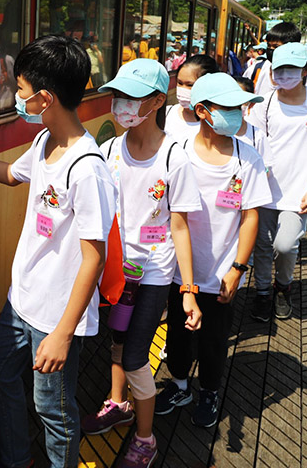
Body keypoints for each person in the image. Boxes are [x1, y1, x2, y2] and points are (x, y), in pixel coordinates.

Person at [0, 35, 117, 468]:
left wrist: (63, 333)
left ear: (45, 98)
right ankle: (18, 460)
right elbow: (11, 175)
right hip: (22, 301)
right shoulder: (44, 144)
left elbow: (94, 257)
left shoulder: (87, 168)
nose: (17, 98)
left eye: (20, 90)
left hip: (55, 315)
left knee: (53, 411)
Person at [82, 59, 202, 468]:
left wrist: (187, 291)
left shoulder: (175, 157)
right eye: (117, 97)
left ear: (155, 101)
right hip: (116, 269)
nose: (119, 106)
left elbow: (182, 227)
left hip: (153, 272)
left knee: (134, 355)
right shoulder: (110, 148)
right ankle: (118, 404)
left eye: (130, 98)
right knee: (116, 341)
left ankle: (146, 440)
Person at [156, 73, 271, 428]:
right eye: (230, 108)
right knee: (177, 333)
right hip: (179, 270)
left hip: (222, 272)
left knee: (214, 340)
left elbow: (250, 217)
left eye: (240, 107)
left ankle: (208, 389)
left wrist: (238, 268)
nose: (239, 115)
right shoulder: (179, 152)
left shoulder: (246, 157)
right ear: (203, 110)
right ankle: (178, 384)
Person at [246, 43, 307, 322]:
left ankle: (283, 286)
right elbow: (255, 144)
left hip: (298, 191)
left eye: (292, 69)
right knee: (262, 246)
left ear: (306, 70)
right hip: (264, 188)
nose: (284, 75)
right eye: (279, 70)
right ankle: (263, 292)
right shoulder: (264, 102)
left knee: (285, 245)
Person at [165, 54, 220, 143]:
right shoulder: (166, 114)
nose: (183, 89)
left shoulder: (217, 123)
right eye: (179, 83)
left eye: (190, 85)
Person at [254, 22, 302, 96]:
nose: (271, 50)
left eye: (276, 46)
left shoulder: (302, 76)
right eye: (269, 46)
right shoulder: (258, 68)